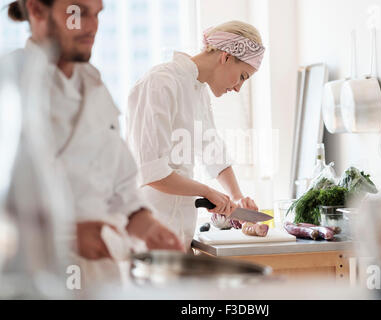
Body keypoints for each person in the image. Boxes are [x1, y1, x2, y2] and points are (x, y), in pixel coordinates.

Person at [3, 0, 184, 264]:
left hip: (101, 278)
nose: (92, 27)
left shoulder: (95, 85)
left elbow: (120, 188)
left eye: (97, 14)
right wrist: (66, 235)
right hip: (32, 279)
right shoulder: (9, 84)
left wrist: (147, 226)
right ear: (37, 10)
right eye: (78, 12)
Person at [126, 20, 266, 249]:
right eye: (242, 76)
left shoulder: (198, 91)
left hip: (178, 237)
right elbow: (152, 172)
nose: (239, 87)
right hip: (144, 239)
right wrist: (206, 191)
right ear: (226, 56)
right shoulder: (160, 83)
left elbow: (213, 151)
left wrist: (237, 197)